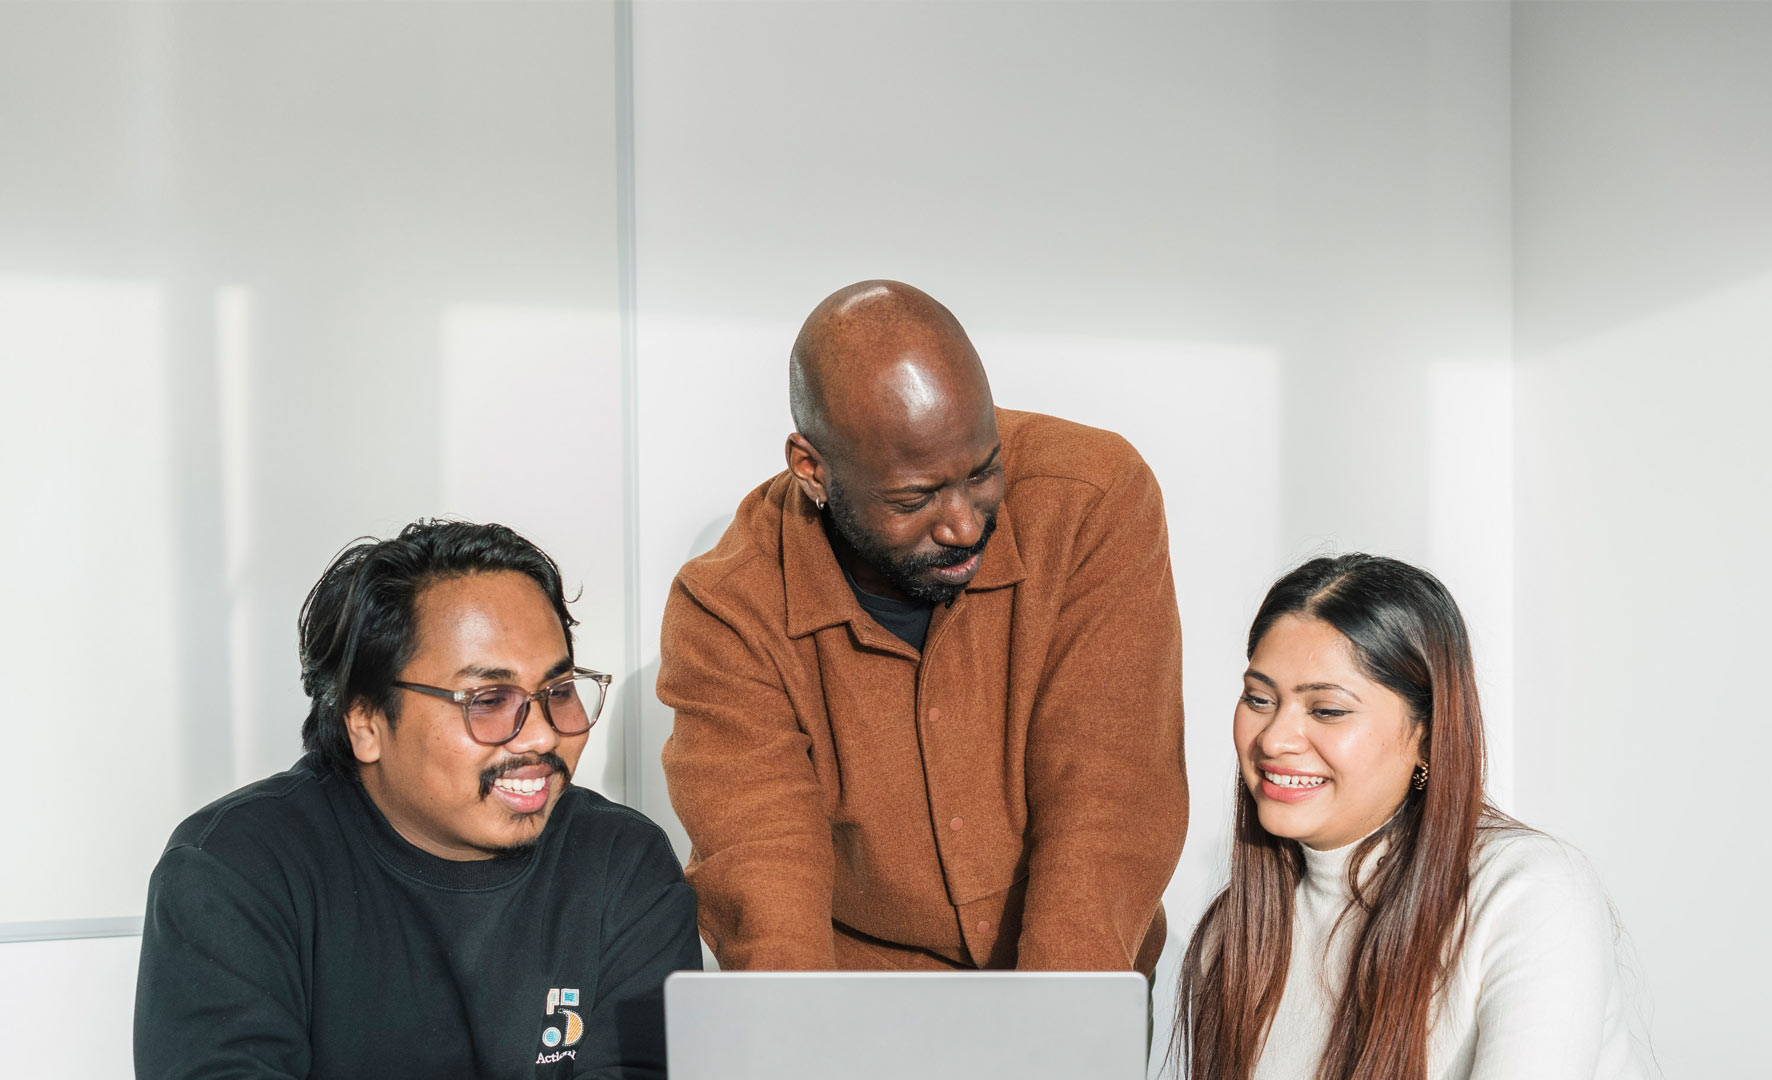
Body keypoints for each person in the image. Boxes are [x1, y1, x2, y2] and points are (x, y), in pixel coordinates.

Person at [657, 280, 1187, 972]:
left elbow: (1109, 794)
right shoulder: (725, 607)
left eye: (983, 472)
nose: (965, 524)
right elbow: (763, 872)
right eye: (915, 498)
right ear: (811, 469)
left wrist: (1062, 1031)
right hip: (859, 998)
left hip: (1080, 968)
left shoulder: (1093, 500)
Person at [134, 520, 700, 1080]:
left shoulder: (623, 863)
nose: (543, 736)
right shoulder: (236, 868)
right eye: (488, 698)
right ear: (365, 721)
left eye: (557, 690)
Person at [1175, 554, 1650, 1080]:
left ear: (1427, 735)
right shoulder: (1233, 935)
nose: (1274, 739)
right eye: (1259, 698)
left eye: (1327, 710)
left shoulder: (1527, 890)